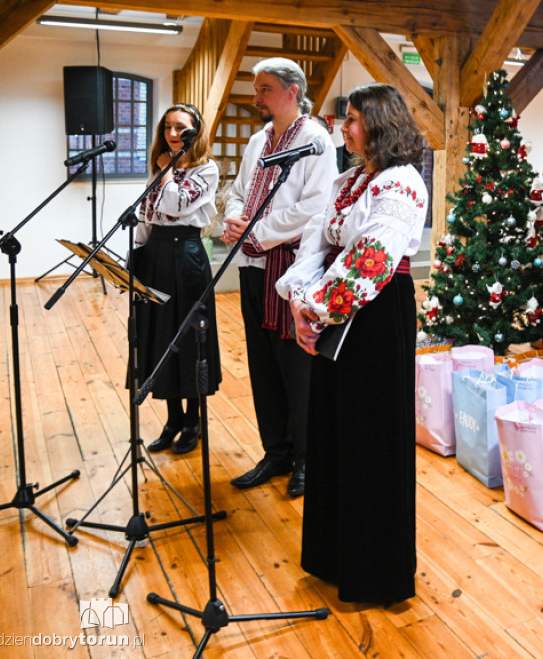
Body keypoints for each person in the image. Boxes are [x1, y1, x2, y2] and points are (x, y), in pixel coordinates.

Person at [276, 83, 427, 604]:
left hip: (377, 312)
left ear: (381, 124)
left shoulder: (401, 182)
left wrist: (316, 308)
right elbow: (314, 244)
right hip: (336, 308)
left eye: (354, 119)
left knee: (370, 436)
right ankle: (333, 554)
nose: (345, 128)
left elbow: (372, 260)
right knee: (334, 429)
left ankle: (374, 570)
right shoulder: (347, 180)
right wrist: (299, 296)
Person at [222, 58, 337, 497]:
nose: (257, 98)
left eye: (265, 89)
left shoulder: (316, 140)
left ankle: (308, 457)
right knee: (263, 365)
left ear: (292, 91)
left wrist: (254, 231)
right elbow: (237, 192)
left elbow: (313, 207)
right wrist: (235, 221)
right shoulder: (257, 141)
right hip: (252, 265)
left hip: (291, 269)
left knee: (296, 368)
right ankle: (276, 450)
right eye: (257, 89)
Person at [134, 103, 221, 454]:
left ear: (195, 132)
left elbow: (175, 205)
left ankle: (193, 419)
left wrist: (166, 173)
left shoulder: (206, 169)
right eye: (168, 127)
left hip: (186, 258)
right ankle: (172, 418)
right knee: (161, 336)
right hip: (156, 256)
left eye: (181, 128)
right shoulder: (158, 167)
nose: (173, 134)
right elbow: (147, 215)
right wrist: (135, 257)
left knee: (189, 338)